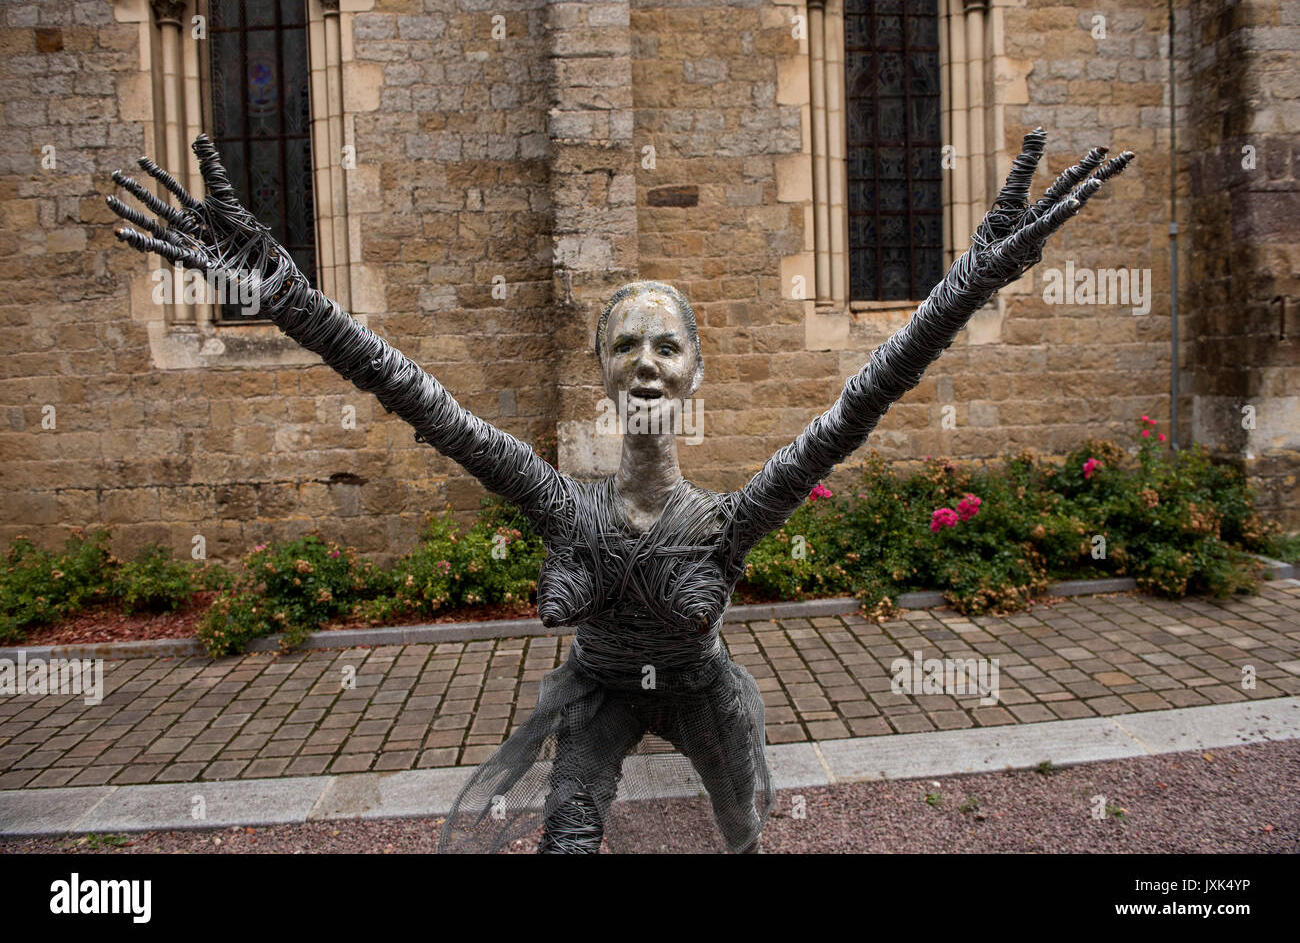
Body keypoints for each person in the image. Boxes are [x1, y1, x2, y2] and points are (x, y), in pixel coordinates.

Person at [106, 129, 1132, 852]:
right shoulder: (559, 505)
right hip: (598, 696)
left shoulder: (727, 523)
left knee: (741, 830)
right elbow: (413, 396)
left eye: (667, 345)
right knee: (569, 831)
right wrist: (285, 295)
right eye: (626, 345)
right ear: (602, 368)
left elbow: (865, 400)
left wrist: (964, 286)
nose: (646, 362)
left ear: (695, 369)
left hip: (701, 697)